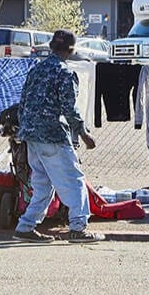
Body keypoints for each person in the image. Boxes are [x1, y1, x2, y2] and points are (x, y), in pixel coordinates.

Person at [12, 29, 104, 243]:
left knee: (43, 184)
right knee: (74, 180)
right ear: (72, 50)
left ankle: (26, 226)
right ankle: (78, 228)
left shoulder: (36, 69)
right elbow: (69, 107)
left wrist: (25, 131)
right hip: (52, 135)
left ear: (52, 46)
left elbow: (23, 102)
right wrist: (83, 133)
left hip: (31, 136)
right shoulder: (64, 72)